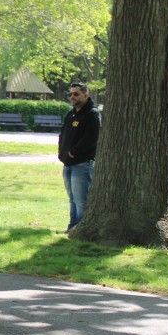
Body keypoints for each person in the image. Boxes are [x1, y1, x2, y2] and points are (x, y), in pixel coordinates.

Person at [58, 82, 101, 231]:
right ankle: (72, 226)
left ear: (85, 94)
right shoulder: (71, 114)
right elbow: (63, 134)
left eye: (76, 94)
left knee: (81, 199)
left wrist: (73, 152)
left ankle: (81, 229)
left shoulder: (92, 114)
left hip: (82, 164)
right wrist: (62, 153)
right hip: (67, 163)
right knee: (72, 198)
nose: (72, 97)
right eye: (70, 94)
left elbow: (91, 138)